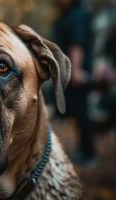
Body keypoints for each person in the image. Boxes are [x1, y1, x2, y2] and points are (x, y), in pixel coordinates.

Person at [53, 0, 96, 165]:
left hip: (76, 73)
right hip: (68, 73)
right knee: (78, 114)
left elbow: (77, 44)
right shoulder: (67, 15)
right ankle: (84, 151)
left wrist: (76, 70)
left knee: (82, 113)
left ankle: (89, 154)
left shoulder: (78, 15)